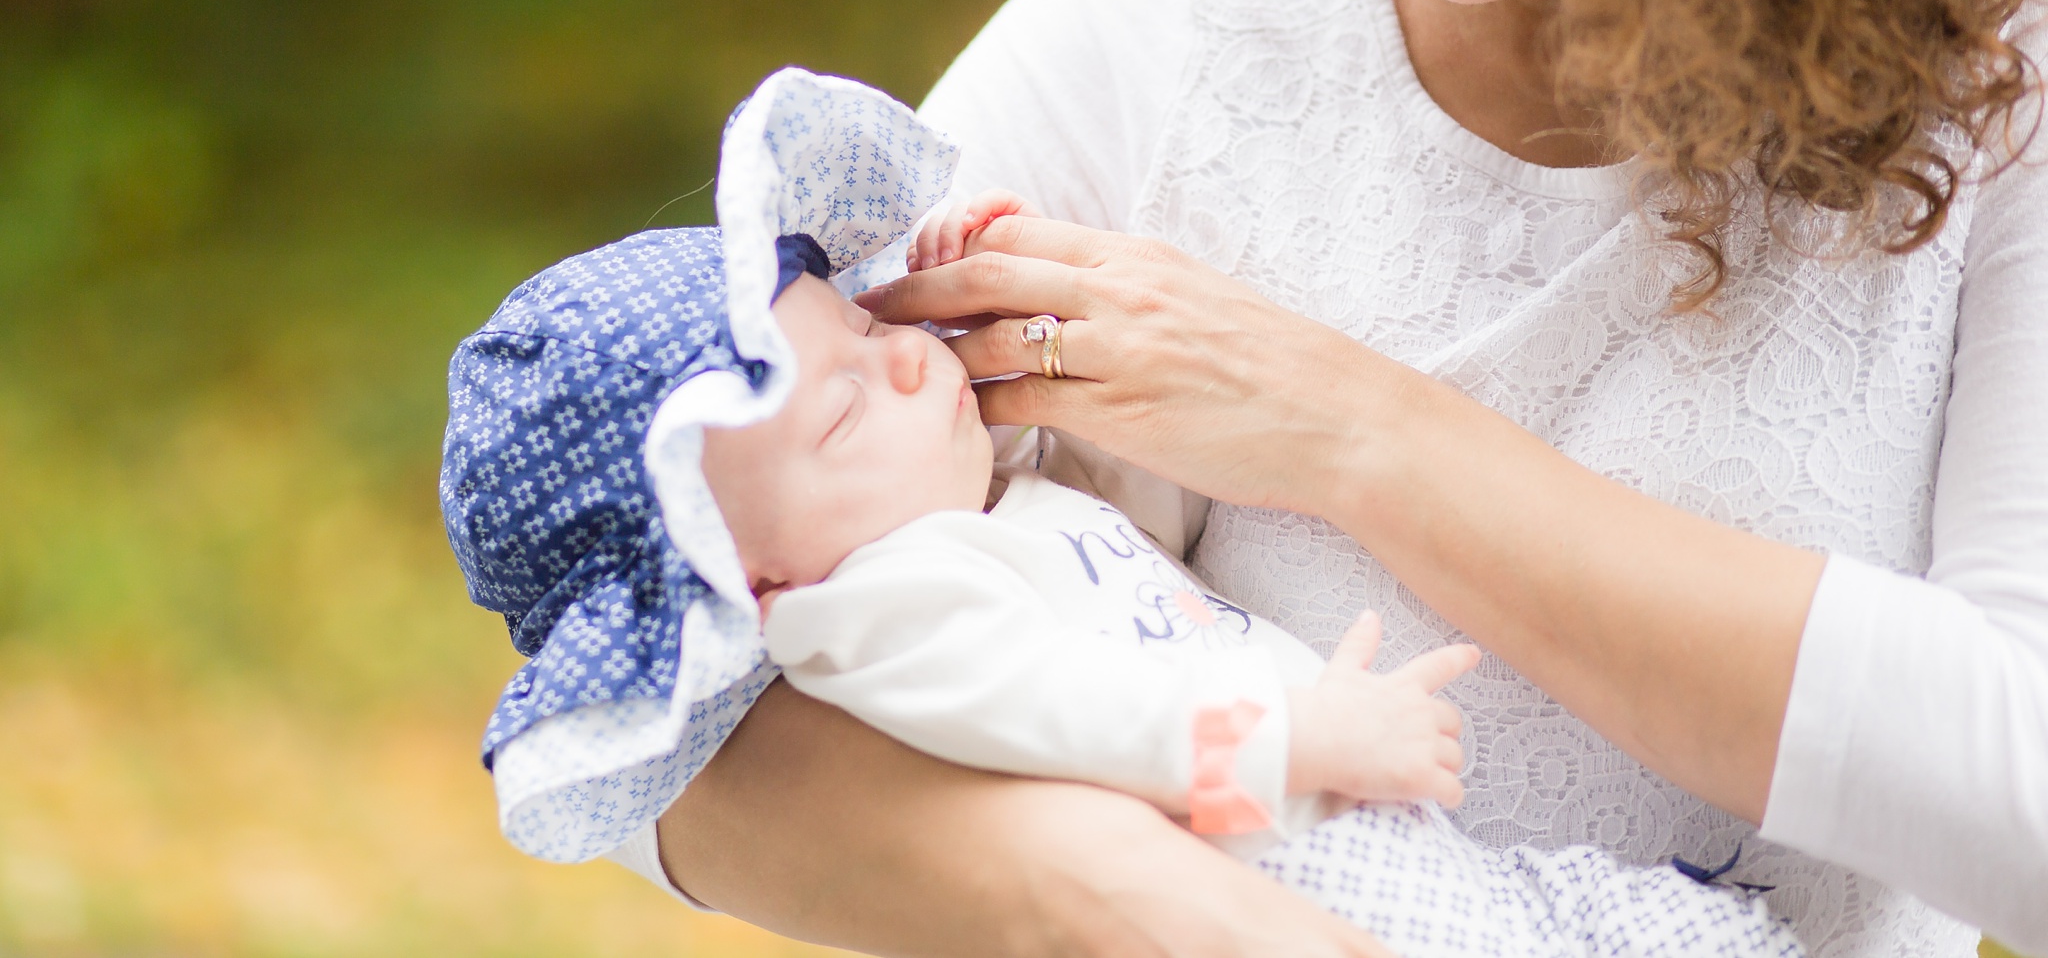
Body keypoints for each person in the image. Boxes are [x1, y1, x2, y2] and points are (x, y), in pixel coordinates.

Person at [653, 0, 2048, 954]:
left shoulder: (2004, 91)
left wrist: (1354, 431)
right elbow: (660, 705)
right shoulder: (1147, 45)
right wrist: (1185, 919)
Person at [440, 67, 1805, 956]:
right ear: (756, 581)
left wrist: (1025, 338)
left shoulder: (979, 513)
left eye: (862, 326)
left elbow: (1146, 518)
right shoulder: (879, 615)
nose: (908, 354)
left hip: (1341, 850)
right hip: (1290, 878)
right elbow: (1073, 721)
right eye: (848, 405)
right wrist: (1302, 737)